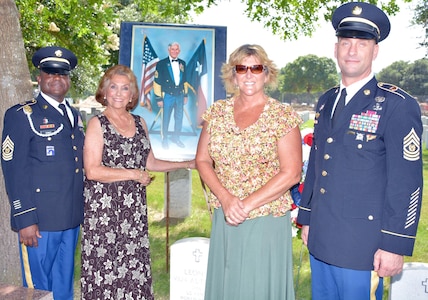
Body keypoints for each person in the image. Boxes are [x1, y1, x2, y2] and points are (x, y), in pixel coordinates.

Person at [297, 2, 423, 299]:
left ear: (374, 51)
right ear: (336, 48)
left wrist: (395, 243)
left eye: (362, 43)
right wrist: (308, 218)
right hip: (322, 239)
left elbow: (406, 183)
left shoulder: (396, 105)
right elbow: (317, 163)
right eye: (346, 42)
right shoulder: (327, 101)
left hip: (362, 248)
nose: (352, 50)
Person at [196, 44, 302, 299]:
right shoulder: (217, 112)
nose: (249, 74)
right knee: (229, 286)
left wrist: (244, 205)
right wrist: (226, 199)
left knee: (256, 288)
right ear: (233, 76)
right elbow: (202, 160)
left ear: (267, 74)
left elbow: (292, 173)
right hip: (225, 216)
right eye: (241, 68)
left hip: (265, 218)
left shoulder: (282, 115)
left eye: (256, 68)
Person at [80, 64, 195, 300]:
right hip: (105, 215)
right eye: (113, 87)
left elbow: (150, 162)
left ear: (133, 94)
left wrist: (187, 163)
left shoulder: (140, 122)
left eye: (125, 88)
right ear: (105, 90)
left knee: (133, 271)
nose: (119, 93)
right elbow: (92, 171)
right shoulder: (97, 124)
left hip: (133, 214)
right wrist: (133, 174)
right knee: (107, 272)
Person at [1, 46, 84, 299]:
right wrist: (24, 217)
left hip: (69, 218)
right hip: (39, 222)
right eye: (50, 73)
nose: (57, 78)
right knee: (37, 289)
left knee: (63, 285)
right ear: (39, 78)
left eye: (63, 74)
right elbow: (14, 169)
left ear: (68, 79)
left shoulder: (73, 114)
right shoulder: (21, 115)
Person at [154, 41, 188, 149]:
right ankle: (165, 139)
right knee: (166, 118)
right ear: (169, 50)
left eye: (176, 49)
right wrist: (158, 98)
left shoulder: (182, 63)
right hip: (167, 95)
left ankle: (176, 137)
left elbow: (185, 80)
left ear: (179, 51)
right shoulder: (161, 64)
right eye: (172, 49)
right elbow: (157, 82)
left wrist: (185, 95)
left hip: (179, 95)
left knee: (179, 118)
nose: (174, 51)